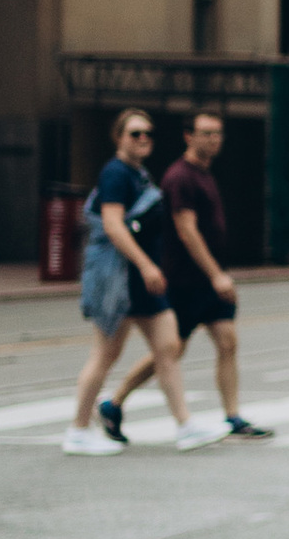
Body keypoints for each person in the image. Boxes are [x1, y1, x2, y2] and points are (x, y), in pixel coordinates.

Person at [108, 107, 269, 443]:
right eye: (205, 133)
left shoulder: (205, 174)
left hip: (209, 280)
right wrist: (216, 275)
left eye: (217, 133)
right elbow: (186, 230)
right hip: (187, 279)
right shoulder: (180, 176)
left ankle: (233, 417)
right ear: (189, 136)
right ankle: (114, 401)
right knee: (170, 351)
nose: (212, 140)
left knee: (227, 342)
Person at [66, 108, 201, 454]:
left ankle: (186, 426)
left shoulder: (137, 174)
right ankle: (78, 430)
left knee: (168, 347)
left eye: (148, 134)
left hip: (141, 280)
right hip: (121, 278)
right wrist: (145, 265)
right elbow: (113, 225)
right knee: (107, 352)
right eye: (135, 133)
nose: (143, 139)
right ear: (118, 138)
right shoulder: (116, 174)